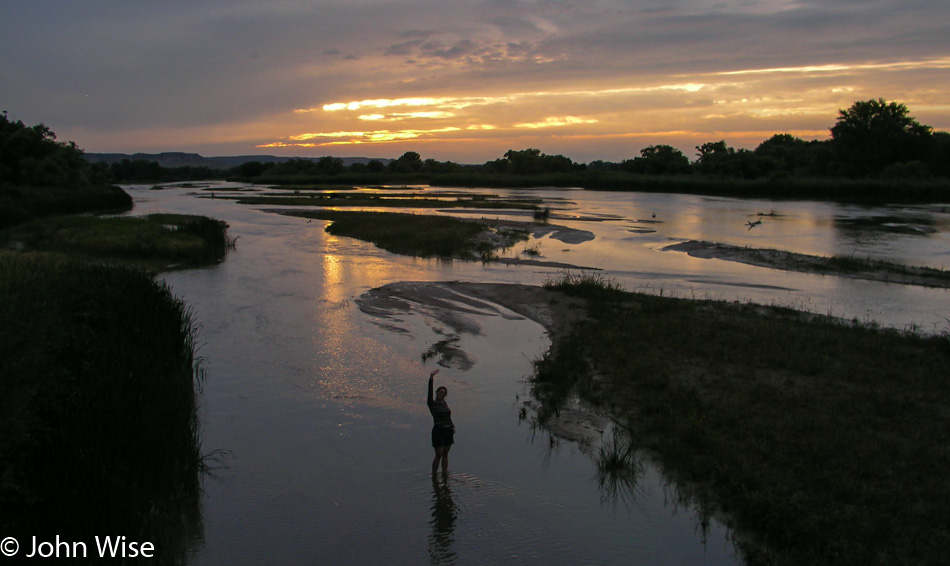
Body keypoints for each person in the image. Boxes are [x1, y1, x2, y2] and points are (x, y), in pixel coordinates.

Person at [427, 369, 455, 474]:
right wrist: (431, 377)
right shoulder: (432, 404)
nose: (441, 394)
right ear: (437, 392)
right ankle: (434, 475)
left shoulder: (444, 403)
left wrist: (453, 426)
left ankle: (444, 473)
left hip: (448, 431)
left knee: (446, 454)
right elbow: (429, 392)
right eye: (440, 392)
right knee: (438, 454)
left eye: (443, 393)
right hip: (438, 432)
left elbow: (448, 417)